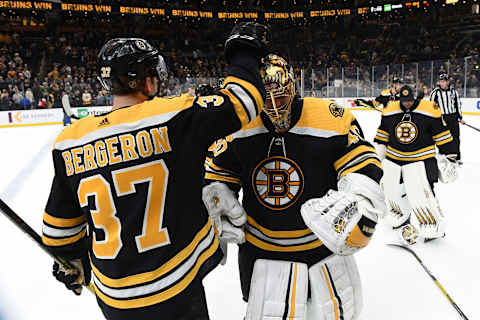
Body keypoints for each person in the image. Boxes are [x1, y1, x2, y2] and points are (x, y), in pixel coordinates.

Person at [41, 22, 269, 320]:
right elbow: (245, 100)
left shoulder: (71, 140)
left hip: (116, 300)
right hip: (176, 288)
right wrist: (244, 51)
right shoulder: (173, 114)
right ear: (146, 80)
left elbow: (59, 234)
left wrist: (74, 261)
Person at [202, 55, 385, 320]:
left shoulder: (331, 117)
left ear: (293, 87)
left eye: (280, 96)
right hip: (262, 248)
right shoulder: (236, 127)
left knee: (323, 313)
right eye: (266, 99)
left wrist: (360, 195)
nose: (275, 107)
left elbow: (360, 161)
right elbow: (219, 177)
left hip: (320, 244)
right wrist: (216, 201)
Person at [374, 85, 458, 244]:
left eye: (410, 101)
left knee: (426, 193)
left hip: (422, 159)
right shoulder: (390, 110)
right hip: (394, 160)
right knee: (394, 191)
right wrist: (377, 156)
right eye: (404, 101)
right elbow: (383, 134)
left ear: (415, 98)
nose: (407, 104)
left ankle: (434, 225)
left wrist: (450, 154)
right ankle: (401, 216)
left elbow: (441, 133)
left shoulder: (429, 109)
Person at [429, 72, 464, 162]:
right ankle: (444, 154)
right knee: (443, 137)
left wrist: (460, 117)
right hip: (442, 118)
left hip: (453, 117)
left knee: (455, 137)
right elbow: (431, 106)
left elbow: (457, 105)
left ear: (448, 82)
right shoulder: (435, 93)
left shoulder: (454, 92)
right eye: (441, 81)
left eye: (444, 81)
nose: (442, 83)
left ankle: (457, 156)